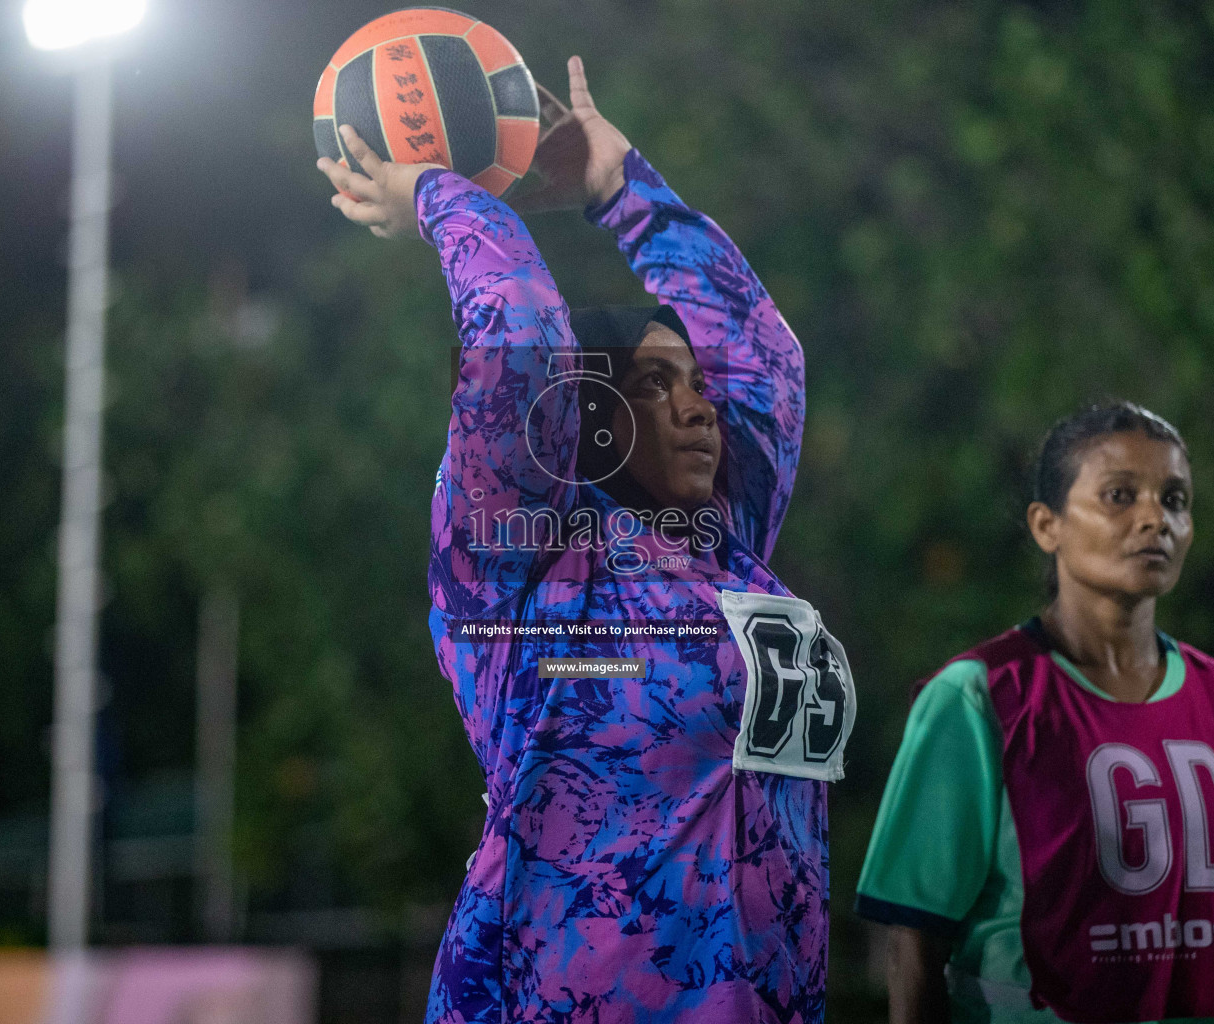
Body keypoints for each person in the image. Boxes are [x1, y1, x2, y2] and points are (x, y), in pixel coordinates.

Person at [317, 57, 856, 1024]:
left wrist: (618, 185)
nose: (698, 406)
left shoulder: (724, 552)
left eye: (695, 383)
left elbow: (763, 354)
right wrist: (438, 192)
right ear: (590, 417)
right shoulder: (521, 553)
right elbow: (524, 336)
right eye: (652, 385)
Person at [854, 402, 1214, 1024]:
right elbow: (914, 946)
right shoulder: (975, 698)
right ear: (1048, 526)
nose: (1156, 518)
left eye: (1174, 500)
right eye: (1121, 495)